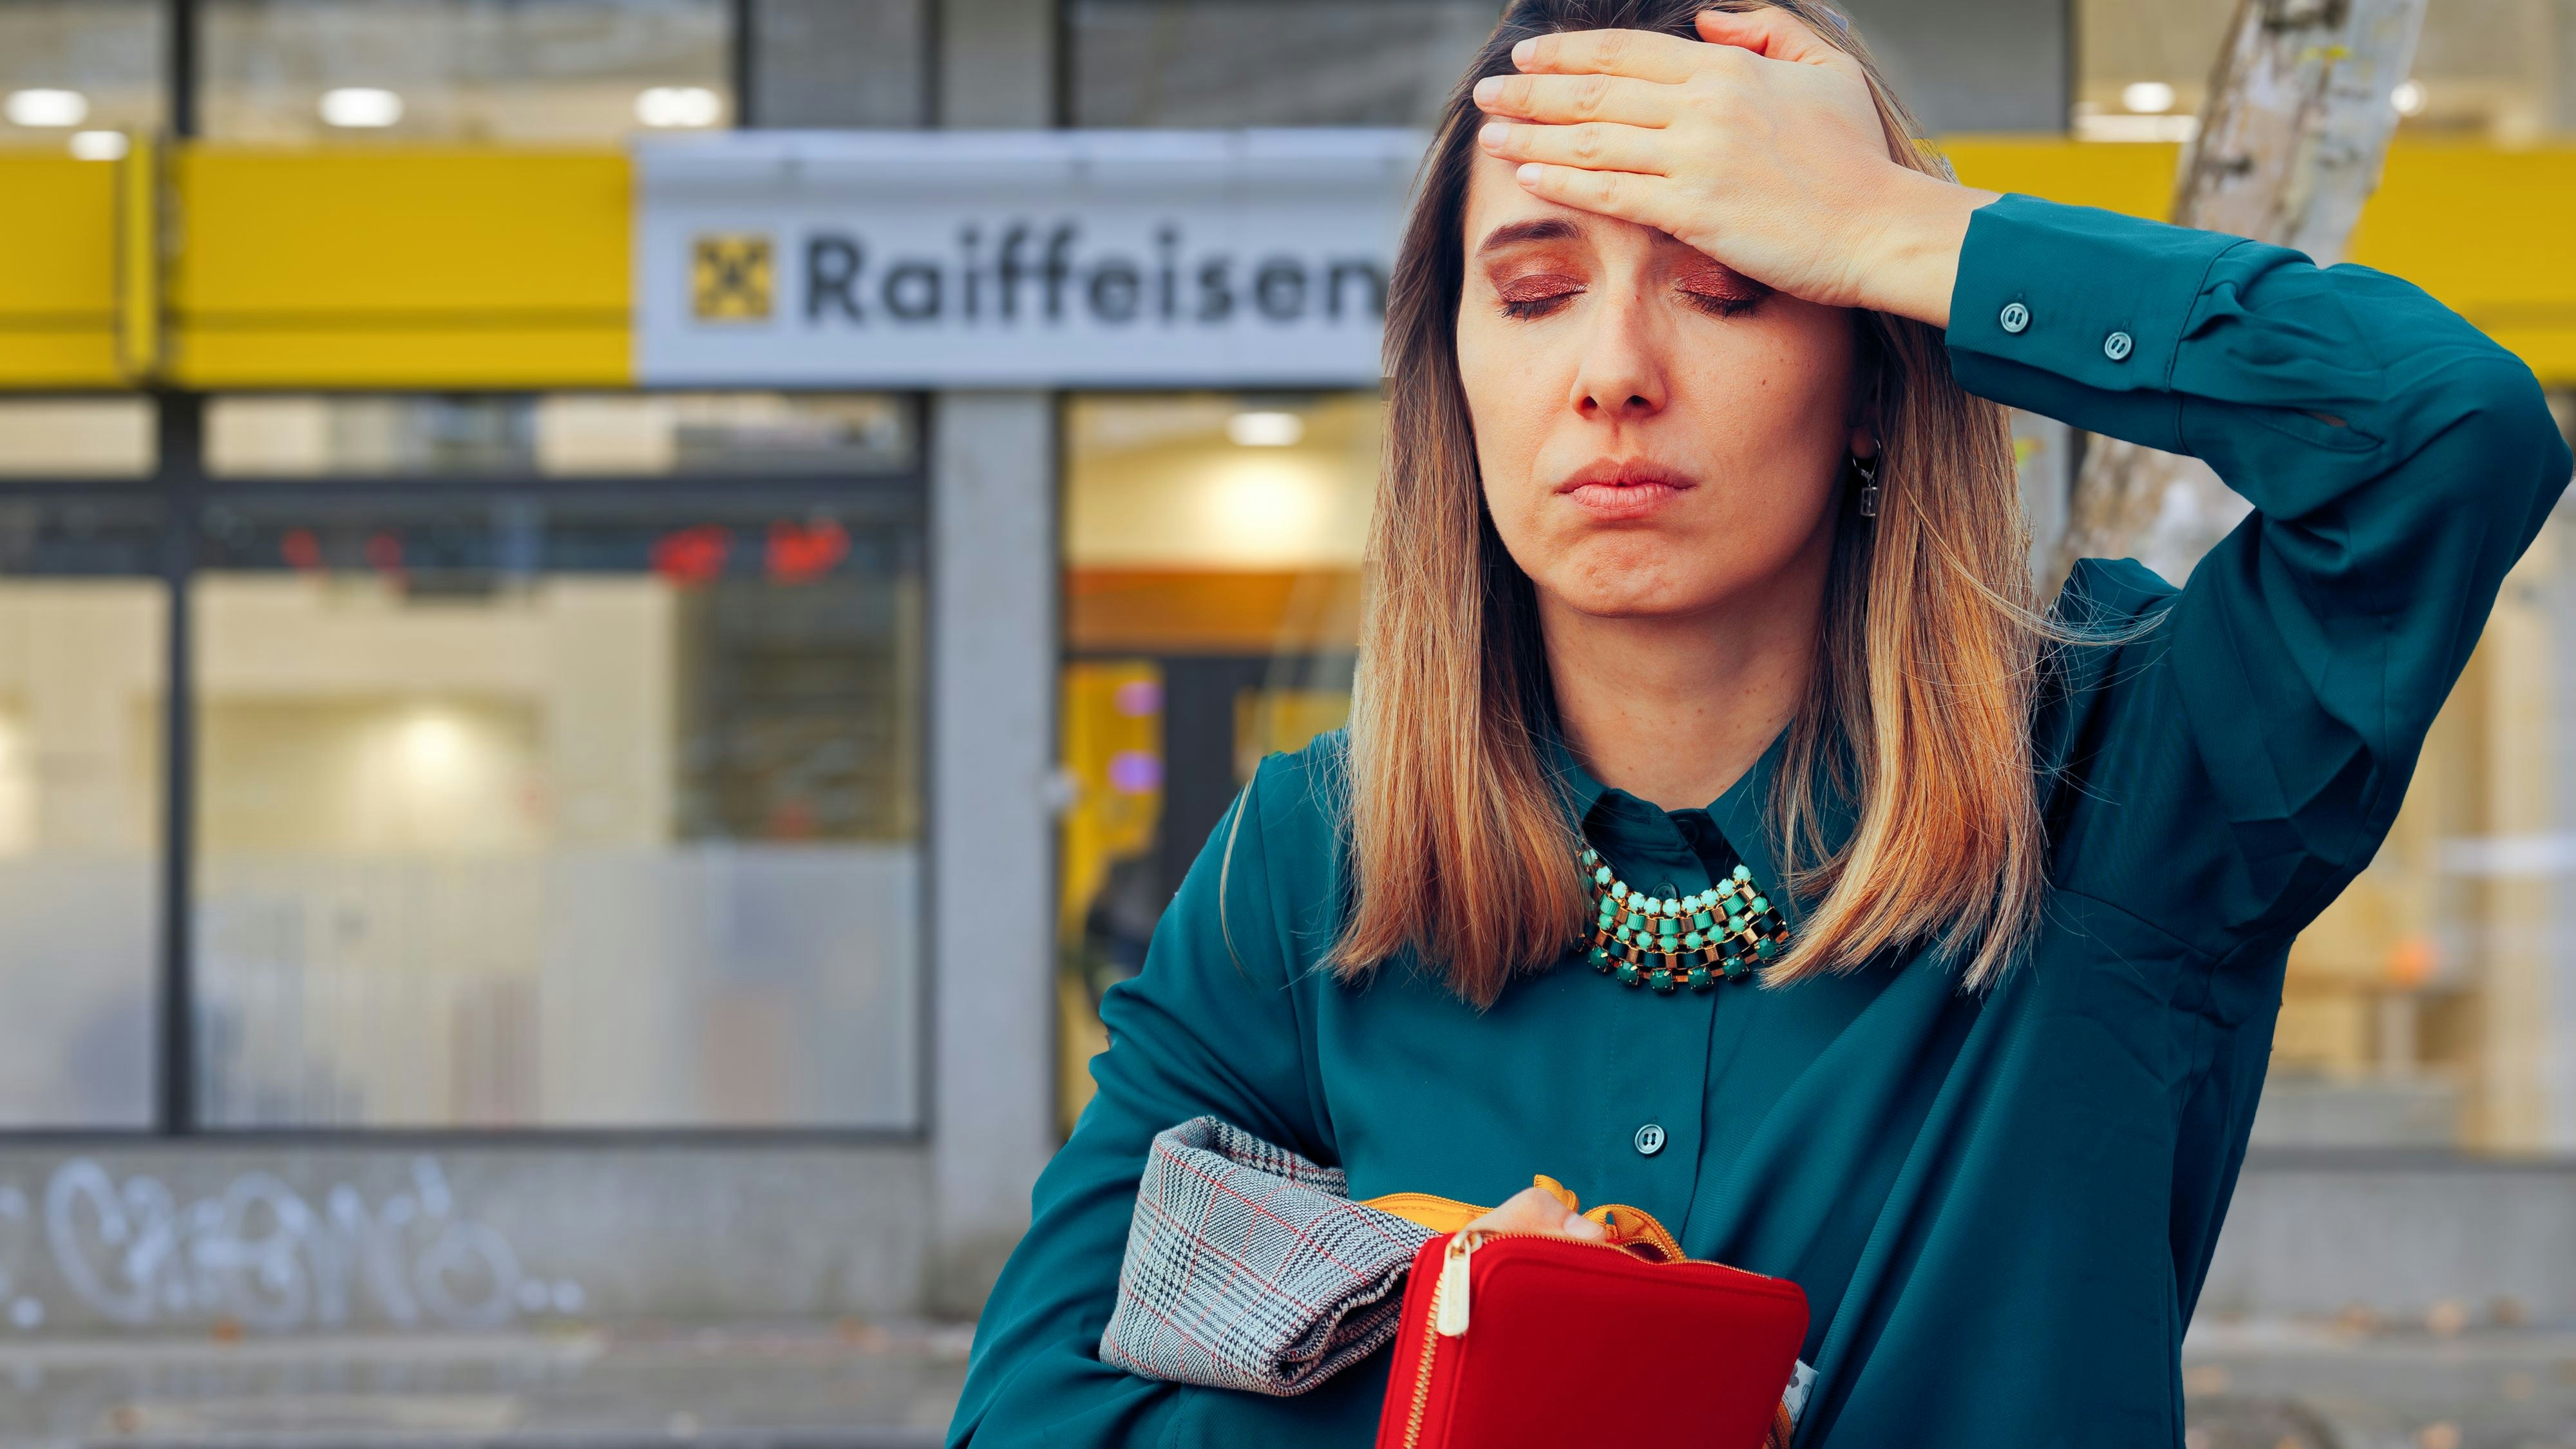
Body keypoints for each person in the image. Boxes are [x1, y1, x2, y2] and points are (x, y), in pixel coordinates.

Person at [949, 1, 2573, 1444]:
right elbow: (1035, 1411)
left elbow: (2445, 438)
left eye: (1727, 286)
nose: (1613, 373)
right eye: (1532, 294)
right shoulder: (1313, 857)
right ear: (1450, 381)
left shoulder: (2119, 775)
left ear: (1872, 368)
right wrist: (1475, 1357)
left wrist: (1909, 232)